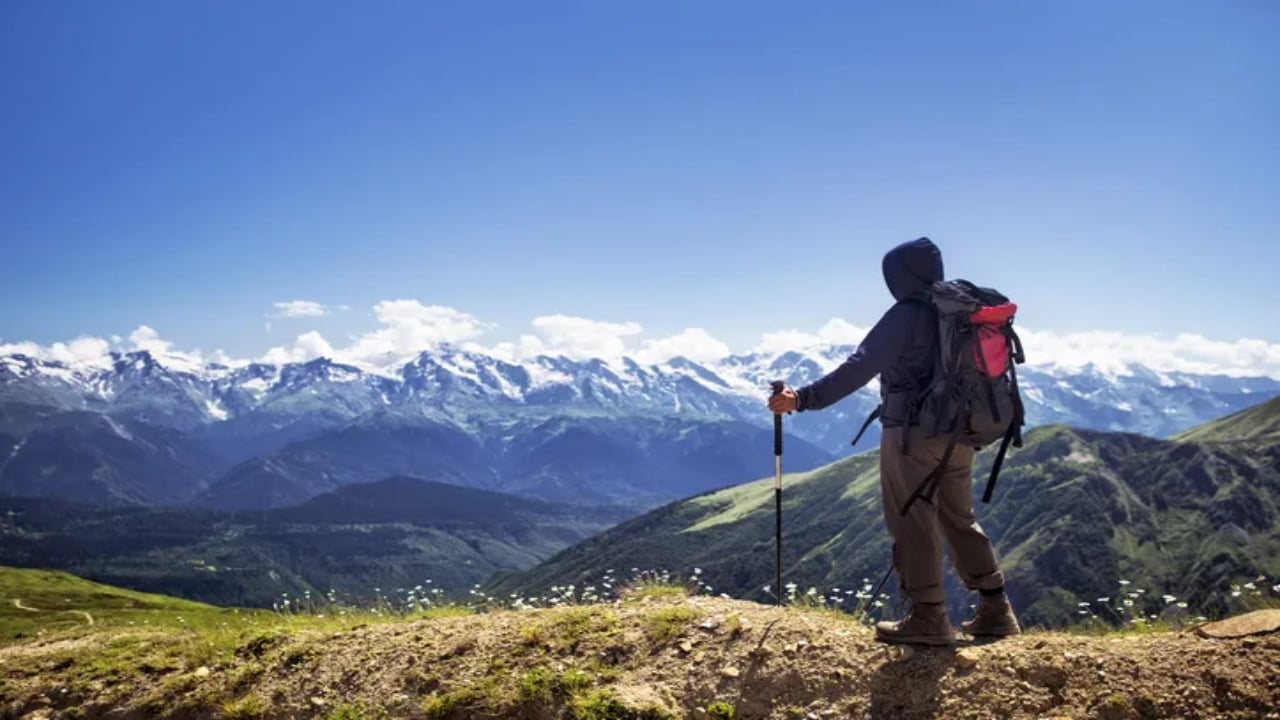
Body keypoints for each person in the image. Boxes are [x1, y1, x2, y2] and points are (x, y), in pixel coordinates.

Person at [767, 236, 1020, 645]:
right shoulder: (959, 313)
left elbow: (859, 367)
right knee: (958, 515)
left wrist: (802, 399)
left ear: (899, 277)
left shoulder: (907, 315)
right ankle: (996, 607)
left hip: (913, 434)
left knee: (911, 518)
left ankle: (928, 617)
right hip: (960, 432)